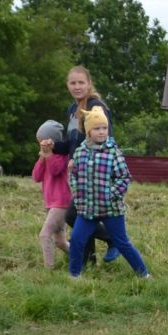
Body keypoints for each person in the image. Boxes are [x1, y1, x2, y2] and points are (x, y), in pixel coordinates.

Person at [67, 107, 150, 278]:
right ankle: (74, 275)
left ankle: (144, 275)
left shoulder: (113, 152)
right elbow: (73, 175)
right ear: (88, 131)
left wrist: (110, 194)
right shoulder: (80, 152)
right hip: (87, 209)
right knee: (76, 240)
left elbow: (124, 177)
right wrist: (77, 194)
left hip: (111, 209)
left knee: (122, 242)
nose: (101, 132)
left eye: (104, 128)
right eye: (97, 128)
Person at [62, 64, 116, 261]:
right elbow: (70, 142)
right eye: (73, 83)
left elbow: (106, 139)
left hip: (96, 169)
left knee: (72, 215)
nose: (77, 86)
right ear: (68, 85)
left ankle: (113, 239)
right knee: (84, 214)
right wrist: (50, 147)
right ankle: (88, 259)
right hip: (79, 172)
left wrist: (81, 160)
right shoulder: (72, 109)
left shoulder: (96, 106)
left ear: (89, 84)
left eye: (81, 82)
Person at [33, 120, 71, 268]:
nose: (41, 145)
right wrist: (42, 158)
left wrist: (49, 155)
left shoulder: (62, 156)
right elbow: (36, 176)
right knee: (60, 242)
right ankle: (80, 258)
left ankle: (48, 270)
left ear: (52, 141)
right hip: (51, 203)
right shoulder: (46, 156)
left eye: (43, 141)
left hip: (61, 203)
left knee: (44, 234)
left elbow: (55, 170)